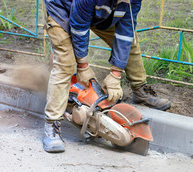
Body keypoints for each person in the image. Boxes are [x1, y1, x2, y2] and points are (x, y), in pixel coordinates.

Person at [43, 0, 171, 153]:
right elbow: (78, 26)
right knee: (66, 62)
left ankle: (140, 91)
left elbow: (126, 31)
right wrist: (83, 66)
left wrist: (116, 74)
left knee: (131, 42)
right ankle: (52, 124)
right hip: (62, 9)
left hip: (99, 13)